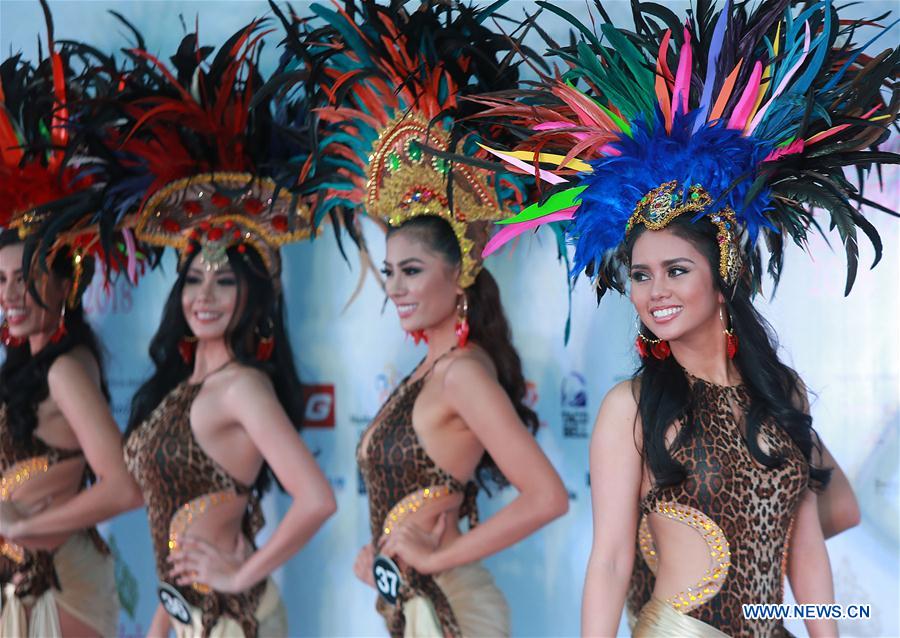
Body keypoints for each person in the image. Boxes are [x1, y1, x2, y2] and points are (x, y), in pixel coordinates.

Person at [478, 0, 897, 634]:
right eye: (641, 275)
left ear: (722, 274)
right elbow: (612, 560)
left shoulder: (780, 391)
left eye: (676, 270)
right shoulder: (632, 405)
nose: (654, 291)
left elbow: (805, 547)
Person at [300, 1, 570, 635]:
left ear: (462, 273)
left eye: (413, 271)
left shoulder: (461, 375)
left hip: (451, 610)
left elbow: (549, 497)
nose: (395, 287)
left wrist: (441, 555)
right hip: (410, 607)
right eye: (389, 271)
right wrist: (382, 554)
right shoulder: (432, 369)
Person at [103, 22, 336, 637]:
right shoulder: (182, 385)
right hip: (187, 618)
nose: (205, 296)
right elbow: (172, 523)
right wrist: (161, 621)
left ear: (252, 297)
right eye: (194, 279)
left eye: (225, 281)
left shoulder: (242, 387)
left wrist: (239, 575)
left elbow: (317, 499)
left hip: (233, 617)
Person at [0, 21, 144, 635]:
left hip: (61, 579)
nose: (9, 295)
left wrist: (24, 527)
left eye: (25, 278)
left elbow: (124, 487)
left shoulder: (64, 367)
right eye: (0, 281)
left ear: (67, 283)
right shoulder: (31, 364)